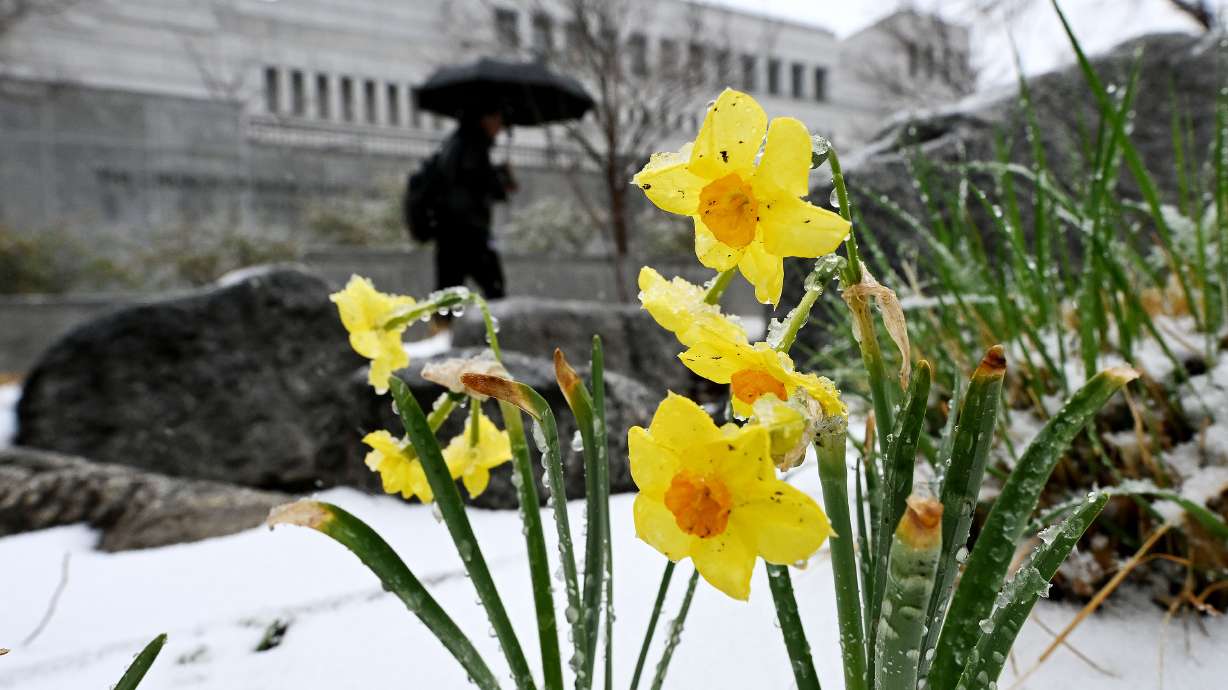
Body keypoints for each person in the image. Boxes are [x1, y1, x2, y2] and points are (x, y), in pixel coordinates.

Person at [433, 108, 516, 324]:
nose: (500, 126)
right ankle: (501, 335)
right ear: (485, 118)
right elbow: (476, 186)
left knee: (447, 294)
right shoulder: (473, 146)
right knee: (494, 289)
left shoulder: (455, 143)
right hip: (469, 232)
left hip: (450, 232)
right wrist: (501, 178)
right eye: (498, 118)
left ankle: (439, 337)